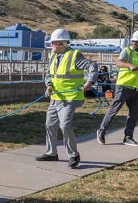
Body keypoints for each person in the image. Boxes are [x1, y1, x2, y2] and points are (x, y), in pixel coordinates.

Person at [35, 29, 97, 168]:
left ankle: (73, 155)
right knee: (50, 125)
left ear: (60, 43)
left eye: (52, 43)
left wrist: (90, 82)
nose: (51, 46)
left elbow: (92, 65)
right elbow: (50, 75)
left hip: (70, 98)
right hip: (56, 97)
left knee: (65, 125)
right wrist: (49, 86)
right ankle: (51, 153)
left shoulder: (75, 55)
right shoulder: (53, 56)